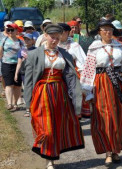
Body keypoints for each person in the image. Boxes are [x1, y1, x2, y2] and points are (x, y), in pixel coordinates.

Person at [80, 20, 122, 166]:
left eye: (110, 29)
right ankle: (108, 152)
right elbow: (89, 70)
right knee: (106, 117)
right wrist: (88, 91)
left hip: (119, 83)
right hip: (102, 84)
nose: (108, 32)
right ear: (99, 32)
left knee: (119, 116)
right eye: (104, 29)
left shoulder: (120, 47)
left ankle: (116, 150)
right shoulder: (94, 48)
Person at [24, 24, 84, 169]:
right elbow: (29, 80)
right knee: (46, 128)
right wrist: (28, 103)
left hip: (60, 94)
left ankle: (51, 158)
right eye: (52, 37)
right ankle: (48, 157)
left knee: (56, 126)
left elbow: (71, 78)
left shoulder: (65, 54)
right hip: (41, 94)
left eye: (57, 38)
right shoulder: (34, 54)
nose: (55, 40)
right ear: (45, 36)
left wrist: (76, 99)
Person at [57, 23, 90, 118]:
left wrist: (82, 73)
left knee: (74, 93)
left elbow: (82, 60)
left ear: (67, 32)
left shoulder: (74, 45)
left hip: (72, 72)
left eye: (61, 32)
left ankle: (75, 114)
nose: (59, 34)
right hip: (58, 73)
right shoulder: (55, 44)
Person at [0, 23, 24, 111]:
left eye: (12, 30)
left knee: (17, 85)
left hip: (18, 65)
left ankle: (15, 103)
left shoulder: (20, 42)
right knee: (9, 84)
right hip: (6, 64)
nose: (10, 32)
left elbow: (23, 53)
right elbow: (0, 52)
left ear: (17, 31)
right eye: (8, 30)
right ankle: (9, 103)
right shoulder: (3, 40)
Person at [14, 33, 36, 117]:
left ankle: (34, 108)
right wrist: (16, 74)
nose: (26, 41)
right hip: (24, 73)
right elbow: (19, 63)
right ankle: (28, 109)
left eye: (28, 39)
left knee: (34, 89)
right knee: (27, 90)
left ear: (32, 41)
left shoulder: (36, 50)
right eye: (25, 39)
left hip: (34, 73)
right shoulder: (21, 51)